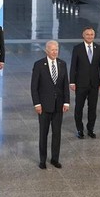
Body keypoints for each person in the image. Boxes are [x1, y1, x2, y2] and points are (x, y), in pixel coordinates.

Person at [31, 40, 70, 169]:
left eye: (56, 50)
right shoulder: (39, 65)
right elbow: (34, 87)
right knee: (44, 133)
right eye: (52, 50)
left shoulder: (62, 64)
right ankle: (42, 160)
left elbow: (65, 85)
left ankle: (55, 159)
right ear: (46, 50)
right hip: (44, 106)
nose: (55, 52)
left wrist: (66, 102)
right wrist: (37, 104)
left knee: (57, 133)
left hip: (58, 105)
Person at [68, 27, 100, 139]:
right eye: (87, 34)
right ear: (83, 36)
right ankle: (79, 129)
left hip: (94, 84)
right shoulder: (77, 49)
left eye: (92, 34)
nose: (90, 36)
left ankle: (90, 129)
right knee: (79, 107)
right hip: (80, 84)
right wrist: (72, 82)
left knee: (92, 108)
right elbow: (73, 66)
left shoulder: (99, 48)